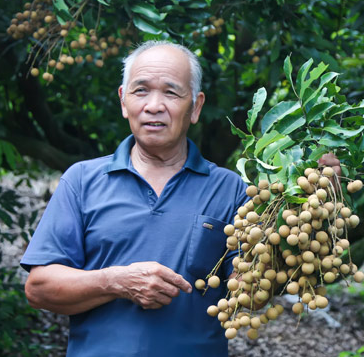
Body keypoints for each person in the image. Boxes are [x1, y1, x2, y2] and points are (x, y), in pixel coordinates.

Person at [21, 41, 249, 356]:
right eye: (141, 91)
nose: (154, 105)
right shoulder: (82, 181)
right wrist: (116, 281)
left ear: (195, 107)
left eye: (171, 93)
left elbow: (253, 291)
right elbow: (39, 288)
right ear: (123, 101)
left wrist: (306, 203)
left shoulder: (231, 189)